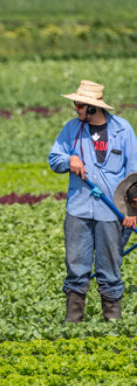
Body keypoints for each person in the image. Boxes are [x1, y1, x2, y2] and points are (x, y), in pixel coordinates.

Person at [49, 80, 137, 322]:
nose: (75, 109)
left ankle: (113, 324)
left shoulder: (123, 130)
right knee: (76, 267)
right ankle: (73, 324)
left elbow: (134, 173)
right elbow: (54, 158)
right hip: (79, 208)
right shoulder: (71, 129)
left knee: (109, 269)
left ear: (92, 108)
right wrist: (69, 160)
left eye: (79, 105)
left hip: (112, 212)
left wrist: (132, 210)